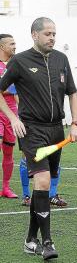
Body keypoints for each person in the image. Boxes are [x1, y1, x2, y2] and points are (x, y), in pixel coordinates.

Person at [0, 17, 77, 260]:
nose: (52, 37)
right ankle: (47, 242)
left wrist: (75, 122)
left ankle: (29, 240)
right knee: (43, 181)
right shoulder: (19, 61)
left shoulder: (61, 59)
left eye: (54, 33)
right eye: (47, 33)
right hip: (32, 130)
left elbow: (73, 93)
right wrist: (13, 118)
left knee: (41, 187)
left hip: (56, 129)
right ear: (34, 35)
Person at [0, 34, 18, 198]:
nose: (15, 46)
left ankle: (5, 188)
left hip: (12, 114)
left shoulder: (15, 65)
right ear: (2, 47)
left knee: (8, 152)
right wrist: (13, 88)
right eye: (11, 43)